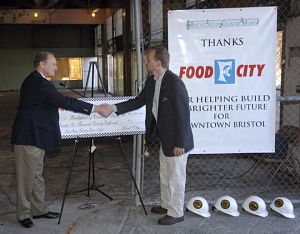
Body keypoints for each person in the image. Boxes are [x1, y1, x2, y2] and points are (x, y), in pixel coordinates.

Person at [100, 46, 194, 225]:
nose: (145, 62)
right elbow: (138, 101)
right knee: (165, 174)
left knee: (175, 177)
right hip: (164, 139)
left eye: (148, 59)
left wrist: (180, 143)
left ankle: (176, 212)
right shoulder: (152, 81)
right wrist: (113, 108)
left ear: (158, 62)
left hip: (177, 142)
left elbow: (183, 115)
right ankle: (167, 204)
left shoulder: (174, 83)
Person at [11, 51, 105, 228]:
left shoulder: (35, 80)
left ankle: (38, 210)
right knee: (26, 178)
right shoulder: (39, 83)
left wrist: (53, 107)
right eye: (53, 64)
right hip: (28, 137)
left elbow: (41, 104)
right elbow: (64, 101)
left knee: (36, 176)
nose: (56, 67)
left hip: (35, 136)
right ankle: (23, 214)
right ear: (42, 64)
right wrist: (95, 108)